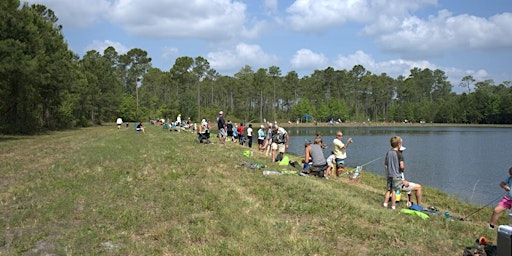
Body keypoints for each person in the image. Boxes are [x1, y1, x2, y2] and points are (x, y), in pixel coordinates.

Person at [382, 136, 404, 210]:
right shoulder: (399, 154)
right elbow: (402, 166)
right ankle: (393, 206)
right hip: (396, 175)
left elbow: (385, 163)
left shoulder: (388, 153)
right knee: (394, 190)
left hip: (389, 175)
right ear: (399, 144)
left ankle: (385, 203)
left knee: (388, 190)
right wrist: (402, 169)